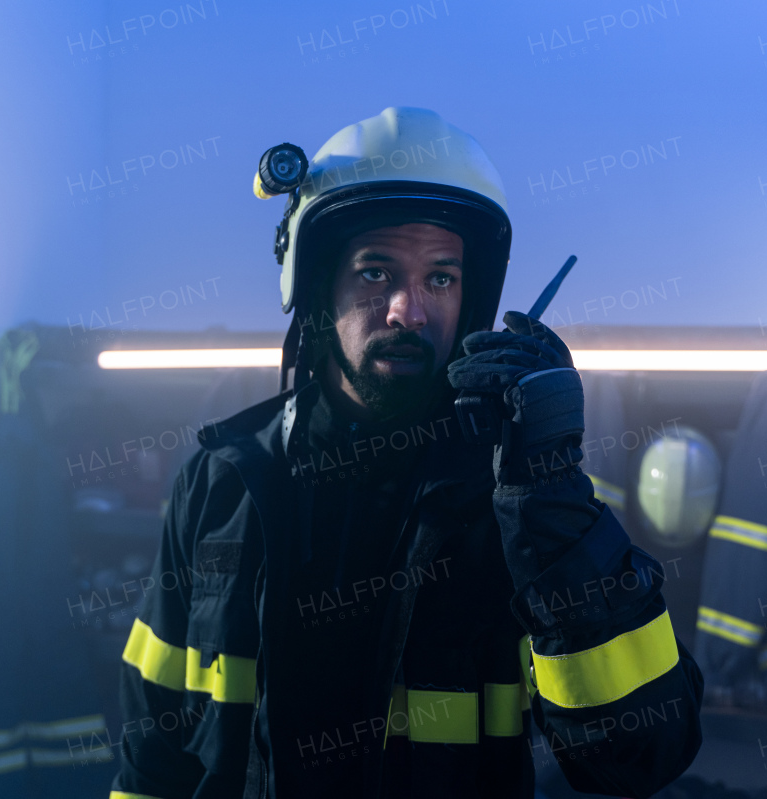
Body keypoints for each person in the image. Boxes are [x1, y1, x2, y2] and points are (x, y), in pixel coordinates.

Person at [108, 107, 703, 799]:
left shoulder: (514, 501)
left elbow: (640, 754)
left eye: (440, 278)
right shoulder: (223, 481)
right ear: (315, 286)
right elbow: (155, 752)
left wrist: (553, 503)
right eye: (374, 272)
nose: (407, 311)